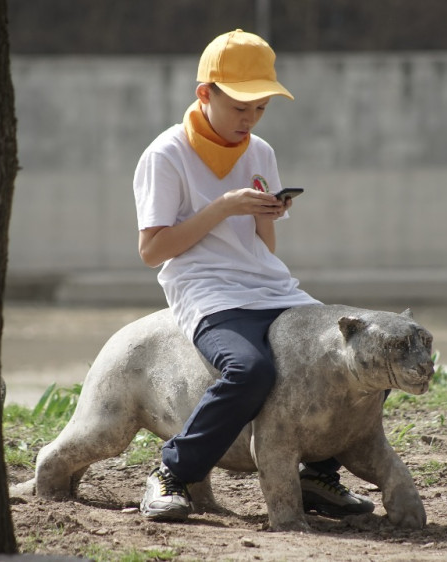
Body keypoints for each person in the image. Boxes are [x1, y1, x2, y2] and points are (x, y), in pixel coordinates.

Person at [132, 29, 374, 522]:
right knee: (251, 371)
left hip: (271, 285)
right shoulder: (166, 154)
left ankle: (318, 474)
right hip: (208, 291)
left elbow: (265, 249)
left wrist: (268, 213)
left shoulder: (260, 150)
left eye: (261, 108)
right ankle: (172, 472)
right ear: (205, 93)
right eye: (241, 107)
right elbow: (153, 251)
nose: (250, 119)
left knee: (360, 349)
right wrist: (223, 207)